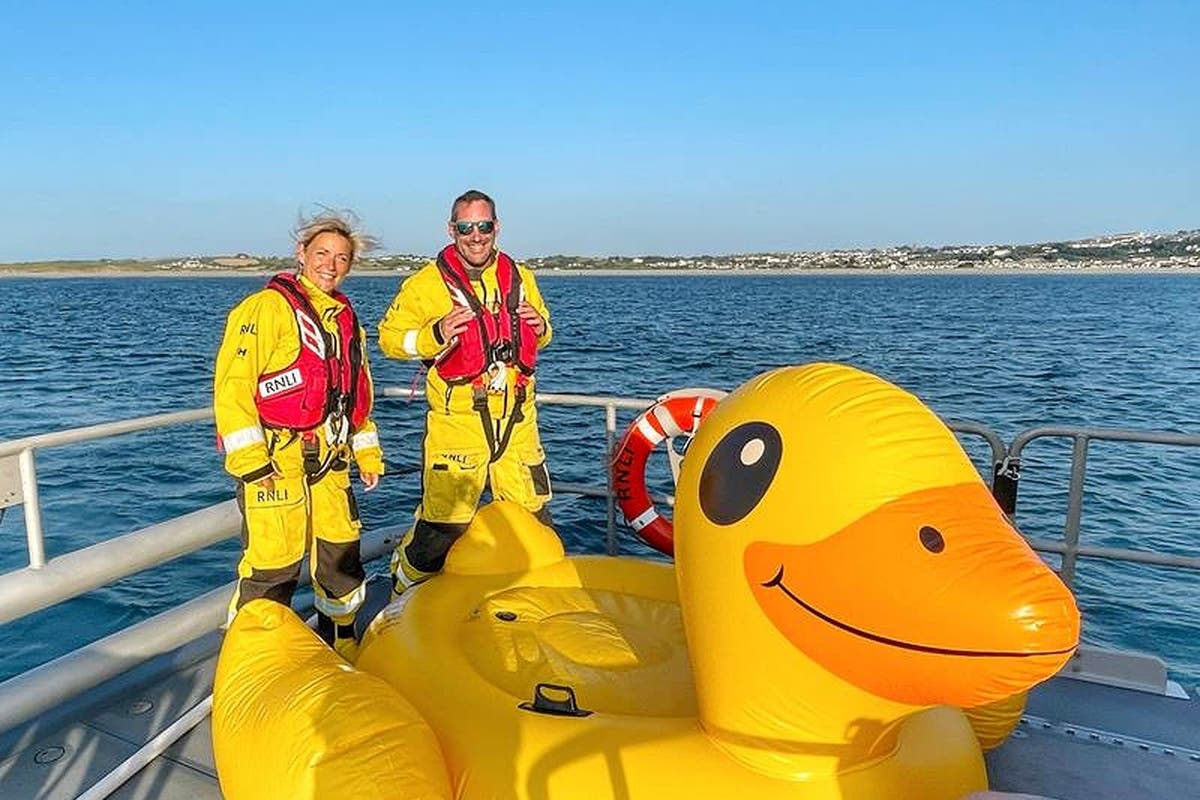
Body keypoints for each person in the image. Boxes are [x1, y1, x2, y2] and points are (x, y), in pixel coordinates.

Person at [213, 210, 383, 660]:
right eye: (322, 254)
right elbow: (232, 389)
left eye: (341, 258)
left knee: (340, 559)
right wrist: (252, 464)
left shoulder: (346, 321)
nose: (331, 265)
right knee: (273, 568)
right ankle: (254, 660)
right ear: (301, 254)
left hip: (331, 464)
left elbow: (355, 395)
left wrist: (368, 455)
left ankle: (341, 644)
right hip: (276, 463)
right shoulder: (266, 309)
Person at [378, 189, 553, 597]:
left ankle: (528, 601)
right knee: (443, 527)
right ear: (451, 229)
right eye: (466, 227)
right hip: (459, 425)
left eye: (484, 226)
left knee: (533, 521)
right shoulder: (424, 285)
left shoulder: (521, 277)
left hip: (518, 424)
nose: (476, 236)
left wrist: (541, 327)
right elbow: (389, 339)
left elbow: (543, 332)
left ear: (497, 227)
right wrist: (434, 334)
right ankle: (401, 590)